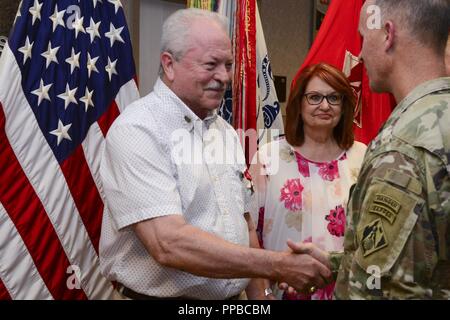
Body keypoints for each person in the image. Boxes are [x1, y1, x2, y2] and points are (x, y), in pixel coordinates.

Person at [99, 8, 332, 300]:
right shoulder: (138, 130)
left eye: (229, 64)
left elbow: (244, 224)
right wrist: (278, 265)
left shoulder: (225, 131)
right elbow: (168, 243)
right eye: (211, 64)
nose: (223, 77)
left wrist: (260, 297)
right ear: (169, 65)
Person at [330, 0, 450, 299]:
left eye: (363, 37)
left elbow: (381, 289)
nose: (359, 53)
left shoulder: (402, 147)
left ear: (387, 34)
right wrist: (337, 265)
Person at [249, 63, 366, 300]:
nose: (325, 105)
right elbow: (250, 236)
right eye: (314, 97)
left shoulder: (363, 157)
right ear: (298, 103)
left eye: (334, 98)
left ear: (344, 106)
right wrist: (261, 295)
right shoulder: (267, 157)